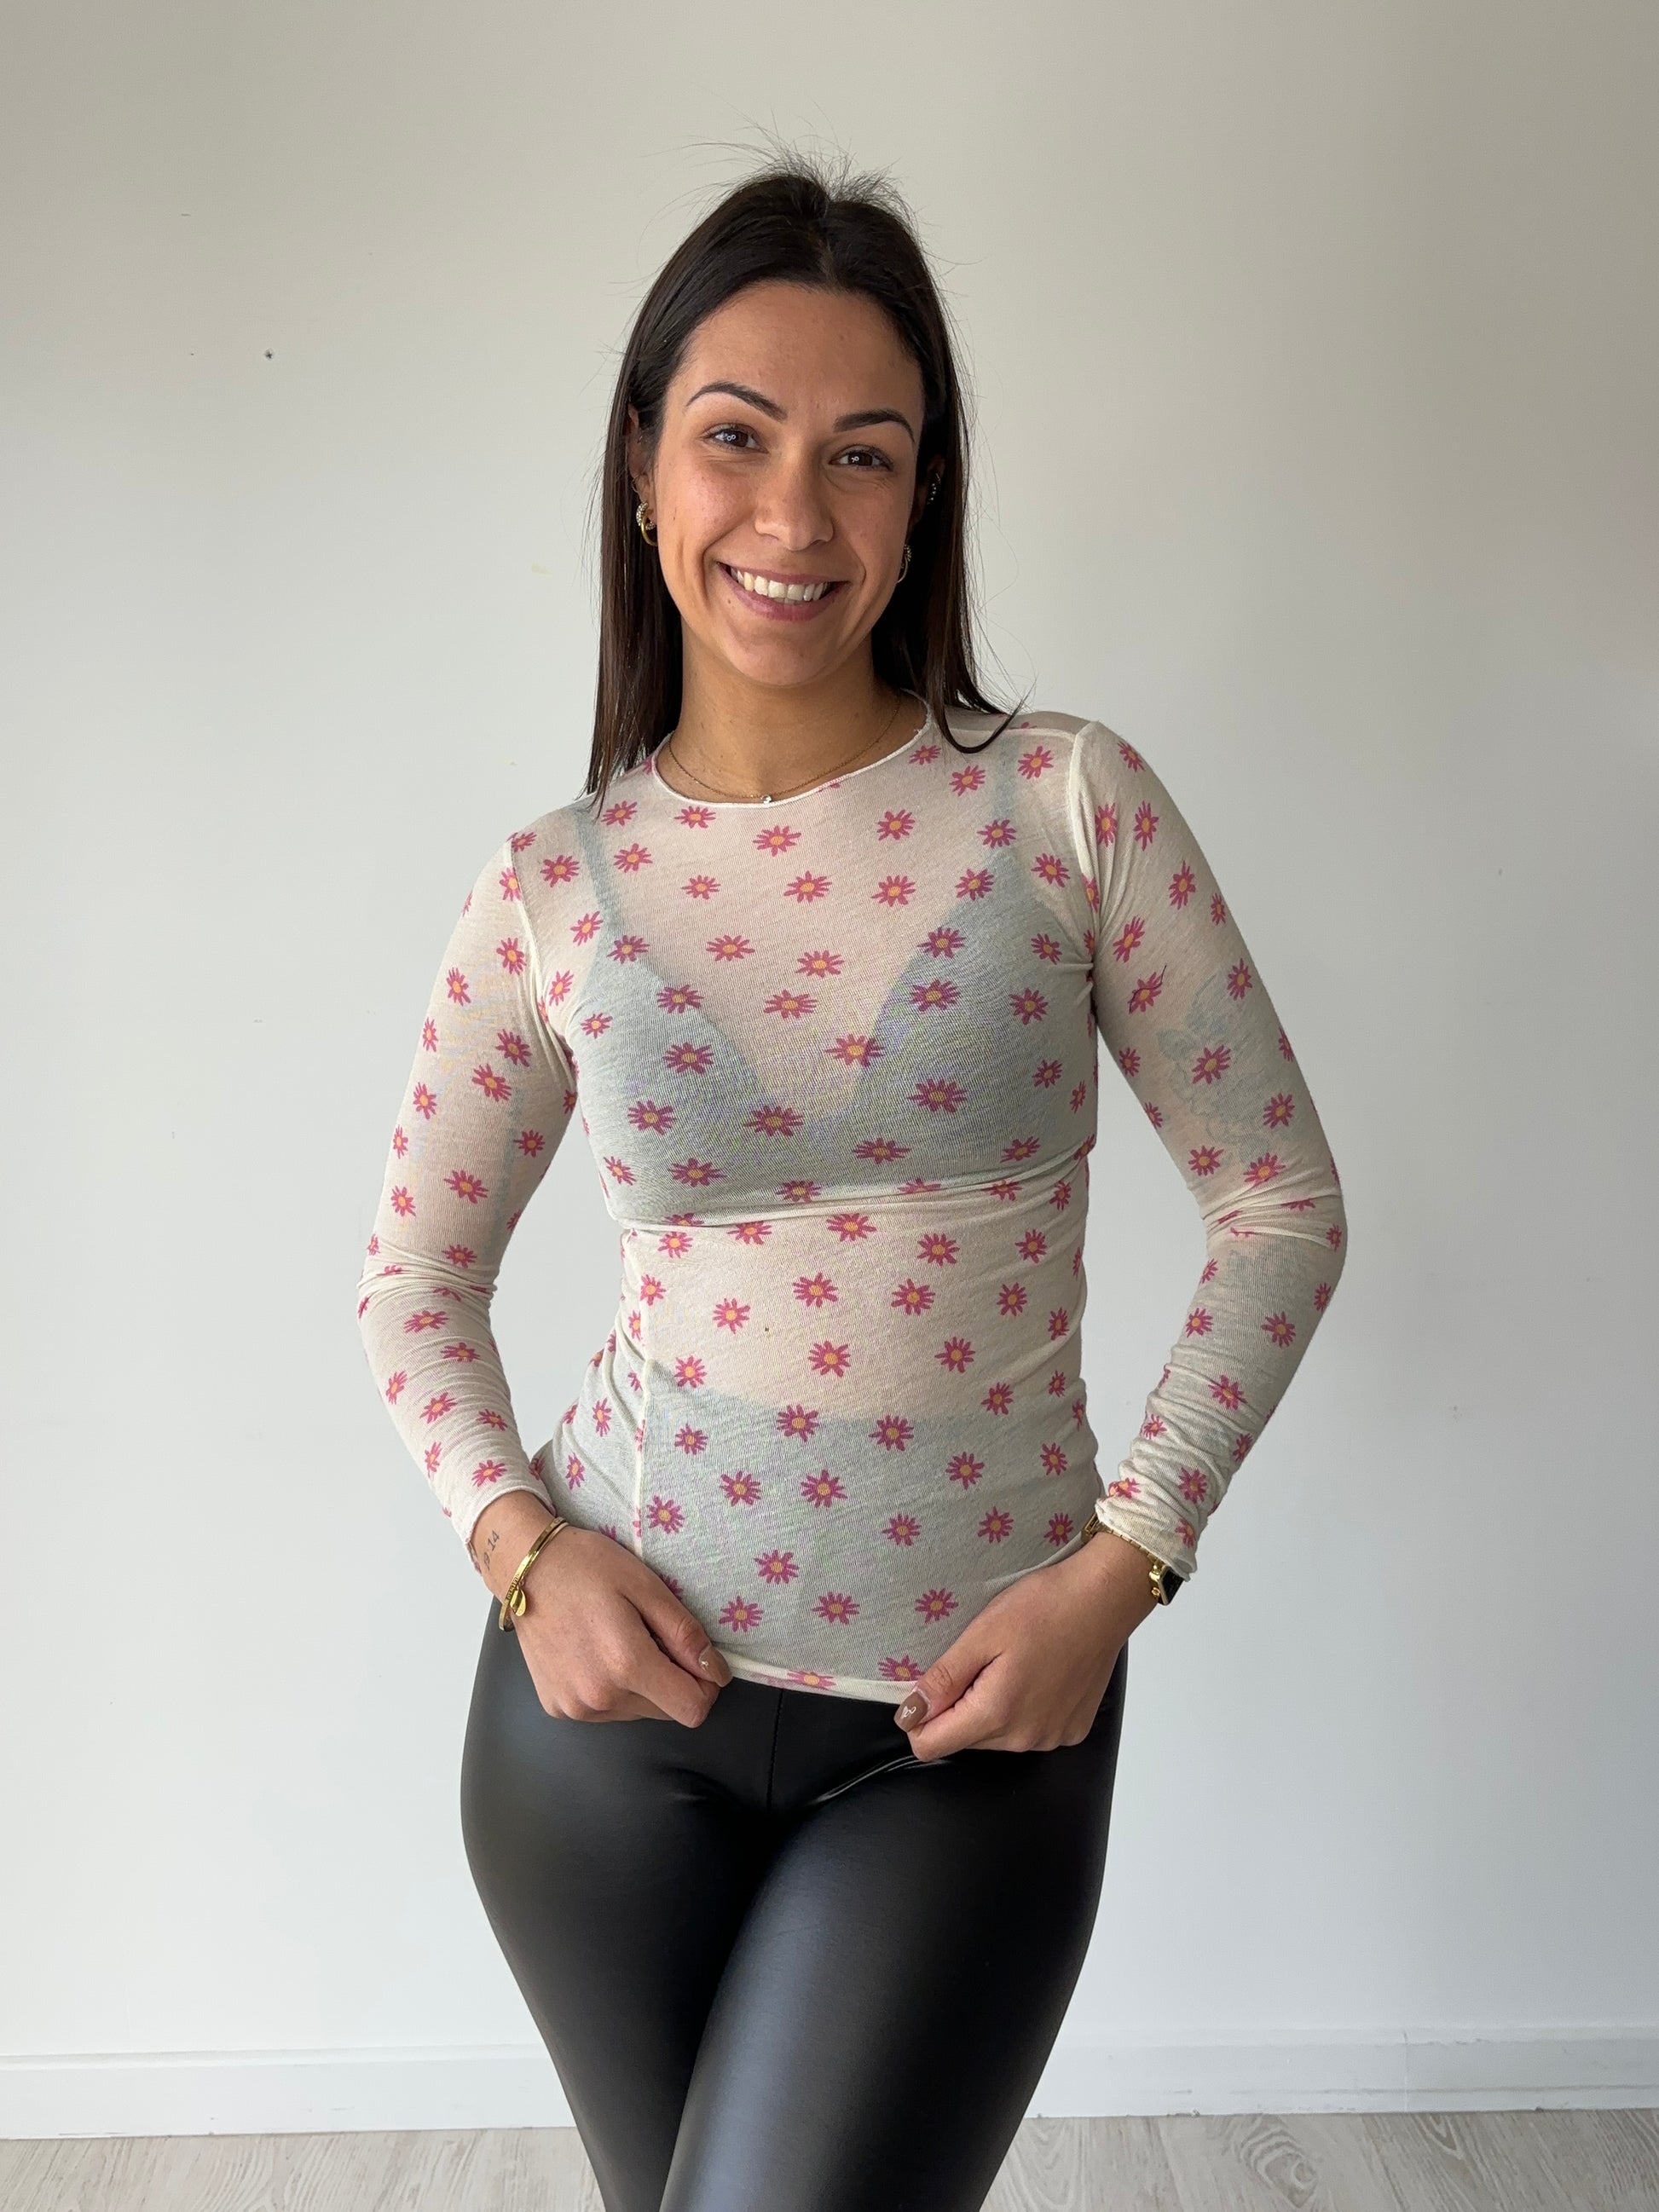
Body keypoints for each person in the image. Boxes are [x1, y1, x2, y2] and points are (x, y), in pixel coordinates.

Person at [354, 152, 1348, 2212]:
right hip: (601, 1739)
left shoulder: (1064, 805)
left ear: (922, 496)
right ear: (646, 467)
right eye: (737, 438)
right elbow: (410, 1281)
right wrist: (521, 1550)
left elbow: (1278, 1202)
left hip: (965, 1732)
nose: (795, 515)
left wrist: (1122, 1565)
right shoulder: (553, 884)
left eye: (862, 454)